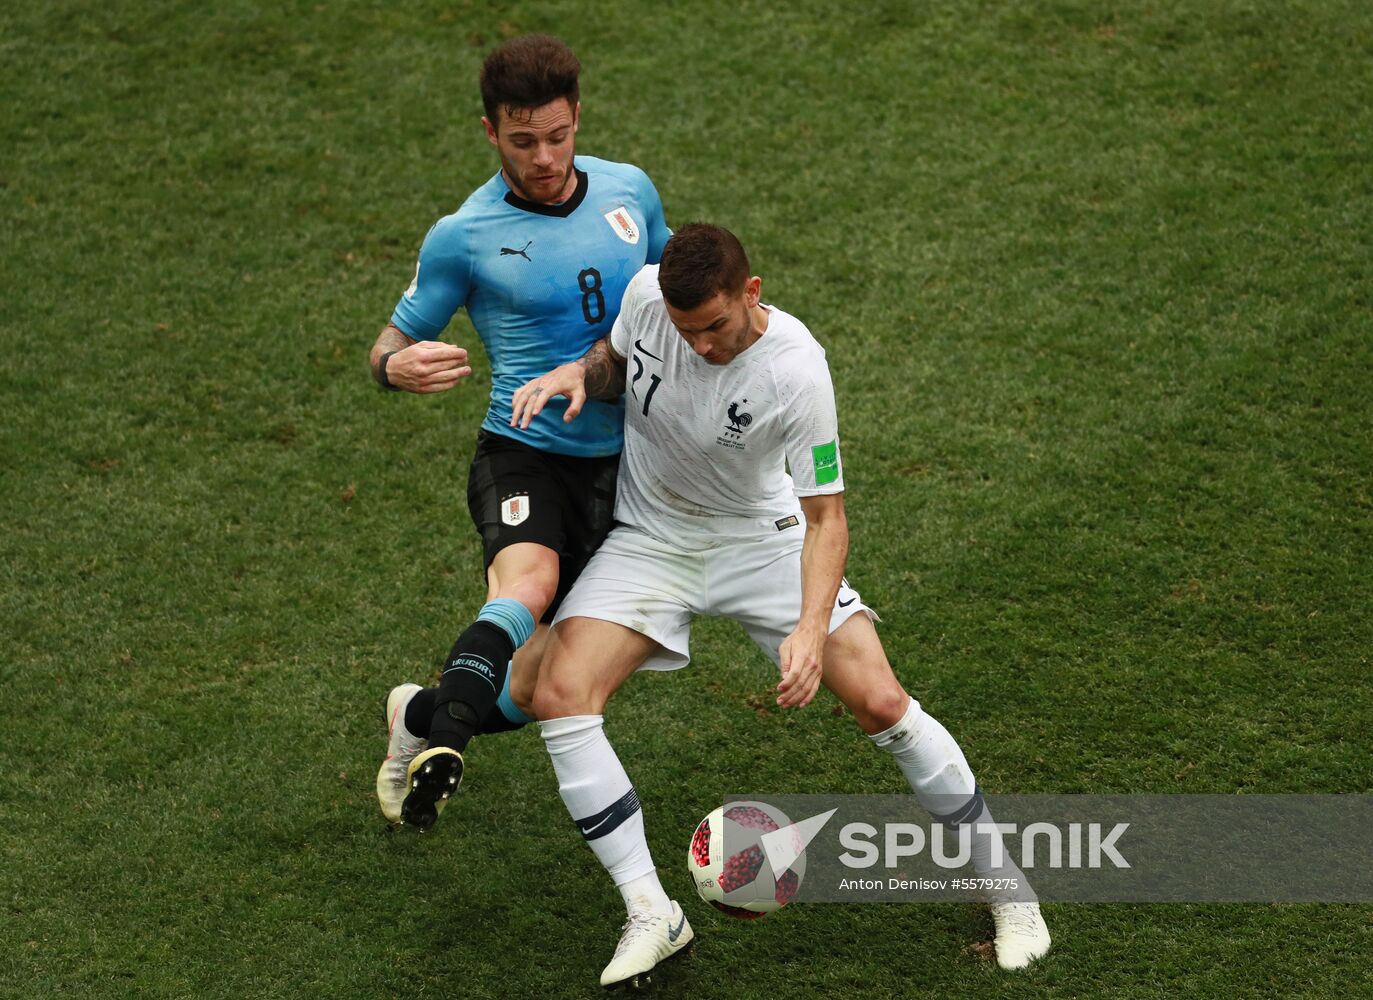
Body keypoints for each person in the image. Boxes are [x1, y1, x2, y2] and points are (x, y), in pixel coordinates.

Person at [510, 224, 1052, 988]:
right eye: (684, 329)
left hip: (758, 540)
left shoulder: (795, 371)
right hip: (651, 538)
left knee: (882, 702)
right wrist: (579, 371)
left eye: (714, 327)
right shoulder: (647, 297)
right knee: (560, 694)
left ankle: (1008, 890)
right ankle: (650, 913)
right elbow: (621, 358)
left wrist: (805, 628)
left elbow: (826, 517)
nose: (698, 346)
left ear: (750, 294)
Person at [368, 34, 670, 830]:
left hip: (629, 471)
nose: (542, 156)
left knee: (545, 685)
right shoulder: (463, 235)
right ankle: (448, 744)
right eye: (521, 140)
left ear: (577, 116)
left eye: (557, 135)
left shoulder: (629, 191)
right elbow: (389, 346)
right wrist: (392, 370)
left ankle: (420, 718)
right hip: (523, 451)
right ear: (489, 131)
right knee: (524, 584)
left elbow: (675, 299)